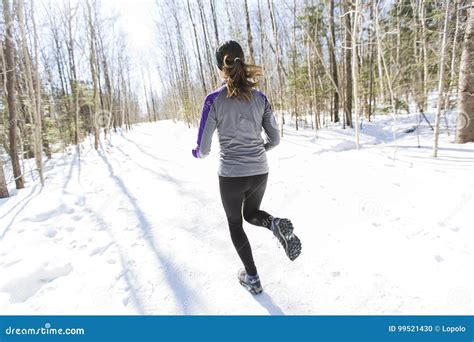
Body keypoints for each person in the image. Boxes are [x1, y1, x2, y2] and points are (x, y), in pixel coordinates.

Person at [192, 40, 301, 295]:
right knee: (252, 213)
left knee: (235, 224)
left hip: (231, 176)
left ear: (221, 68)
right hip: (260, 170)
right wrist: (257, 152)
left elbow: (204, 148)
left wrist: (197, 153)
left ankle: (252, 278)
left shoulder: (213, 100)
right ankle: (274, 224)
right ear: (243, 60)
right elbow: (274, 139)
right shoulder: (261, 98)